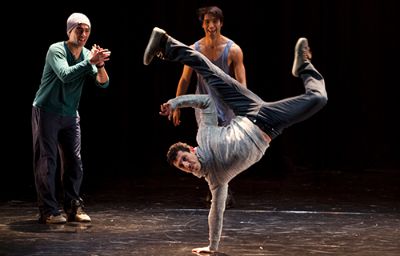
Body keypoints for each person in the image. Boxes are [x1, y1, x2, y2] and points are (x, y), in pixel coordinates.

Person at [144, 27, 328, 253]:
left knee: (209, 71)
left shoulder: (204, 136)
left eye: (184, 158)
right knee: (318, 99)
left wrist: (175, 102)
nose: (186, 164)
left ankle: (166, 42)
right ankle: (304, 67)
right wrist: (212, 247)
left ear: (191, 149)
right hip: (270, 125)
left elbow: (206, 101)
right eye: (181, 166)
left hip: (247, 111)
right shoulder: (216, 180)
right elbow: (216, 213)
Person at [32, 13, 111, 224]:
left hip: (70, 114)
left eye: (87, 30)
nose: (84, 34)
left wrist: (100, 64)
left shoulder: (87, 54)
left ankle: (73, 206)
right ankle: (48, 210)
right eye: (79, 29)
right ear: (69, 31)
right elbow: (65, 75)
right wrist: (90, 61)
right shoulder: (56, 49)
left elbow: (103, 83)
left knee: (74, 161)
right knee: (47, 161)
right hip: (47, 110)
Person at [173, 6, 246, 208]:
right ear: (202, 24)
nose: (211, 26)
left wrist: (244, 110)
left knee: (225, 150)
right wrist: (176, 105)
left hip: (227, 105)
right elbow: (185, 79)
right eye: (207, 22)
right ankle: (216, 189)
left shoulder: (233, 50)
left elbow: (242, 83)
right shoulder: (194, 50)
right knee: (209, 149)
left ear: (221, 23)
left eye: (215, 21)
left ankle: (224, 186)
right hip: (204, 106)